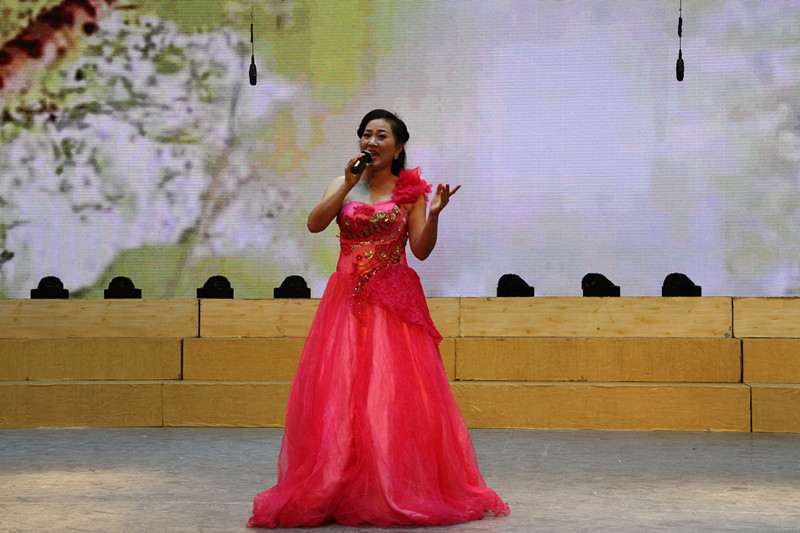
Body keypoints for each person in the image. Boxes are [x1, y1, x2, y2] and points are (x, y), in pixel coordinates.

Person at [248, 109, 509, 528]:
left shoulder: (411, 193)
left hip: (391, 303)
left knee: (388, 395)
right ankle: (338, 481)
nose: (372, 142)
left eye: (381, 136)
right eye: (366, 134)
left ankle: (390, 484)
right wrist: (346, 184)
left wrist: (435, 213)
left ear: (399, 147)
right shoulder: (344, 183)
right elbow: (315, 224)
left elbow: (420, 250)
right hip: (346, 303)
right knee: (341, 392)